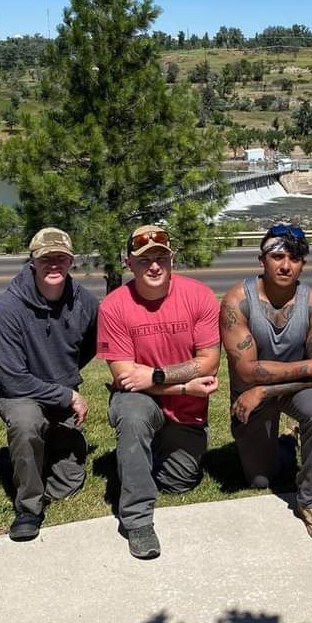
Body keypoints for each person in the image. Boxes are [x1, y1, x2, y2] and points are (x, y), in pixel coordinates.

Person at [96, 225, 221, 559]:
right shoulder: (113, 306)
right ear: (128, 263)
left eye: (160, 258)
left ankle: (137, 461)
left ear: (171, 260)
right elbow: (124, 377)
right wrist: (184, 384)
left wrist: (154, 375)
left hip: (183, 408)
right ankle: (137, 520)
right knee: (133, 417)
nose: (153, 266)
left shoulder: (199, 296)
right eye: (144, 259)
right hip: (142, 400)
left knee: (179, 482)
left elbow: (209, 362)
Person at [220, 224, 312, 541]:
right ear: (262, 260)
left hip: (291, 391)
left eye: (295, 258)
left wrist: (264, 390)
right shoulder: (236, 302)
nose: (286, 265)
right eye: (278, 256)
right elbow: (246, 372)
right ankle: (288, 442)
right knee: (260, 479)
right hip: (250, 392)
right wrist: (307, 367)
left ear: (303, 263)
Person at [0, 227, 98, 541]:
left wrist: (66, 380)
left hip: (59, 394)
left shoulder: (84, 301)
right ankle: (28, 508)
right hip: (17, 393)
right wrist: (67, 394)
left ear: (71, 261)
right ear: (32, 262)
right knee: (26, 423)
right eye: (46, 258)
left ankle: (20, 458)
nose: (54, 264)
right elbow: (12, 378)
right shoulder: (9, 307)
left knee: (66, 486)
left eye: (61, 258)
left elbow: (91, 342)